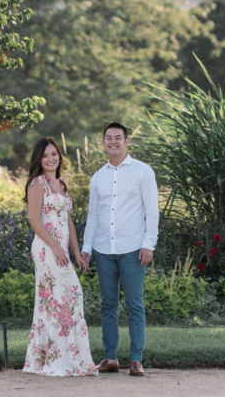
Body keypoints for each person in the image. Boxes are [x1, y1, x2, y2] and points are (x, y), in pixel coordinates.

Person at [78, 121, 158, 377]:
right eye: (108, 137)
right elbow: (93, 215)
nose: (113, 141)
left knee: (135, 304)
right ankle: (110, 358)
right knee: (107, 305)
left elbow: (151, 210)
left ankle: (136, 359)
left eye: (118, 137)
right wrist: (86, 248)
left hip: (133, 249)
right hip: (103, 250)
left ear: (126, 141)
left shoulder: (143, 171)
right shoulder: (98, 177)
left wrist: (149, 244)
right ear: (103, 142)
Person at [20, 138, 97, 377]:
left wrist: (76, 252)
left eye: (54, 154)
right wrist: (55, 247)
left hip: (62, 249)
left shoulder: (61, 183)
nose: (51, 159)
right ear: (38, 160)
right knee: (69, 295)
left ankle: (58, 359)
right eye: (45, 156)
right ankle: (58, 361)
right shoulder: (37, 184)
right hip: (46, 249)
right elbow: (34, 219)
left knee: (57, 300)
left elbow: (69, 222)